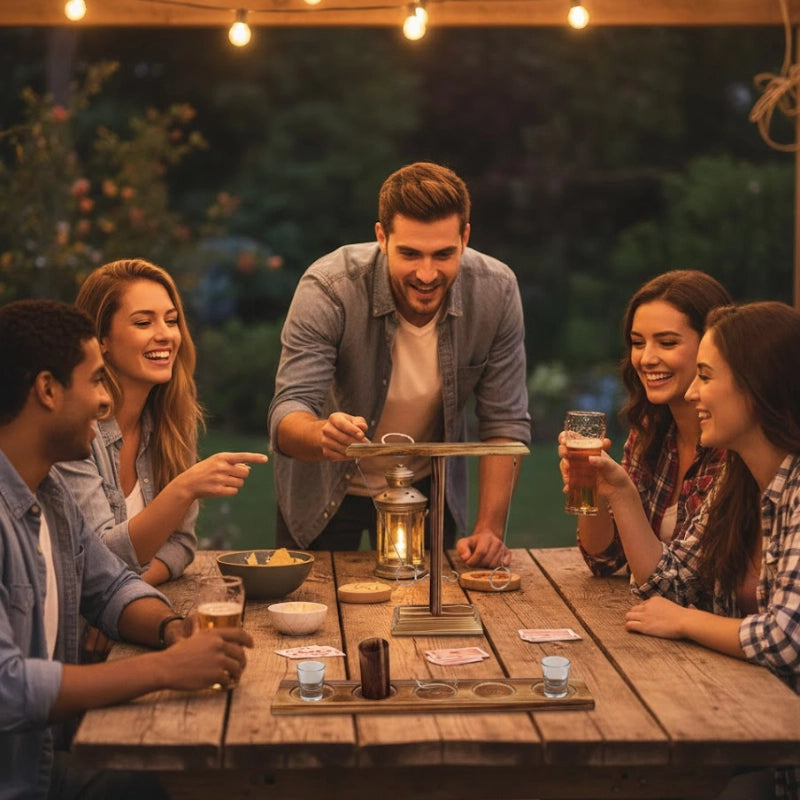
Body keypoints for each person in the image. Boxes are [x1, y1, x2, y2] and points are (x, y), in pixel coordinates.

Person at [0, 299, 253, 799]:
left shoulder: (48, 493)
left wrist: (172, 630)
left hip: (48, 766)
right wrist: (164, 670)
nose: (104, 400)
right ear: (47, 390)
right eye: (96, 380)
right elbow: (7, 688)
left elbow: (111, 585)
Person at [267, 161, 531, 568]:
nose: (427, 274)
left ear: (465, 238)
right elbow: (287, 415)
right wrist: (323, 434)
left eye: (443, 254)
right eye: (410, 253)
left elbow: (505, 423)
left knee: (424, 610)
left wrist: (489, 529)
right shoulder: (329, 288)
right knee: (312, 613)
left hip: (426, 486)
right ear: (381, 237)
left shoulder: (496, 290)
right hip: (323, 488)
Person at [588, 301, 800, 799]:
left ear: (758, 387)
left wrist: (685, 622)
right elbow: (669, 581)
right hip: (748, 725)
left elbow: (786, 639)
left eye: (705, 376)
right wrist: (619, 493)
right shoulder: (740, 476)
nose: (691, 392)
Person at [56, 259, 268, 586]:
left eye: (171, 321)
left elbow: (181, 545)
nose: (166, 335)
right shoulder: (75, 430)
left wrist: (124, 598)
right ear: (102, 340)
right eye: (143, 323)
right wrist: (184, 488)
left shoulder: (173, 422)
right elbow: (96, 560)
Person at [564, 270, 732, 576]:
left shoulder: (734, 444)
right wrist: (598, 491)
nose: (646, 358)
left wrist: (622, 491)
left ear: (712, 346)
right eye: (637, 343)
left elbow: (689, 579)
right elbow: (605, 559)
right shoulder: (651, 428)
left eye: (667, 343)